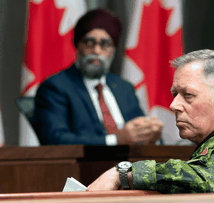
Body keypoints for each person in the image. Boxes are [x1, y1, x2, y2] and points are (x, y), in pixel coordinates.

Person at [86, 49, 214, 193]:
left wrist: (123, 173)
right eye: (175, 94)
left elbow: (209, 181)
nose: (173, 105)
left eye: (188, 95)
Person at [33, 8, 163, 145]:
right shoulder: (55, 87)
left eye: (105, 44)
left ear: (113, 50)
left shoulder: (124, 88)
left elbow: (139, 132)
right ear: (77, 45)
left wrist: (151, 136)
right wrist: (116, 140)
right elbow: (55, 139)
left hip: (131, 164)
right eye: (89, 43)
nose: (96, 50)